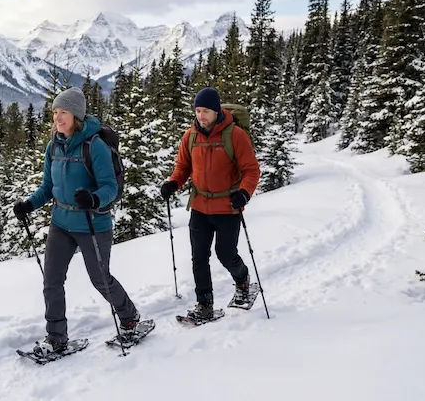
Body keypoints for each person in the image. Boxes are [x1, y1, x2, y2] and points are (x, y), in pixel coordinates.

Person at [13, 86, 139, 355]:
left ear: (76, 116)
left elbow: (110, 188)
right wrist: (28, 205)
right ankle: (57, 338)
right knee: (52, 281)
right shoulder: (53, 146)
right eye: (55, 112)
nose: (58, 118)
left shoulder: (95, 146)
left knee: (100, 279)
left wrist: (93, 199)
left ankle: (129, 318)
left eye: (64, 112)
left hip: (93, 224)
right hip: (61, 223)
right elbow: (48, 187)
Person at [160, 87, 260, 318]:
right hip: (199, 206)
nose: (201, 116)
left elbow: (251, 170)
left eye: (206, 111)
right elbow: (183, 167)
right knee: (199, 257)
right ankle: (204, 305)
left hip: (228, 207)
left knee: (225, 254)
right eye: (197, 110)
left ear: (216, 111)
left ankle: (243, 281)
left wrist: (244, 193)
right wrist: (173, 183)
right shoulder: (190, 136)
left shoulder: (235, 135)